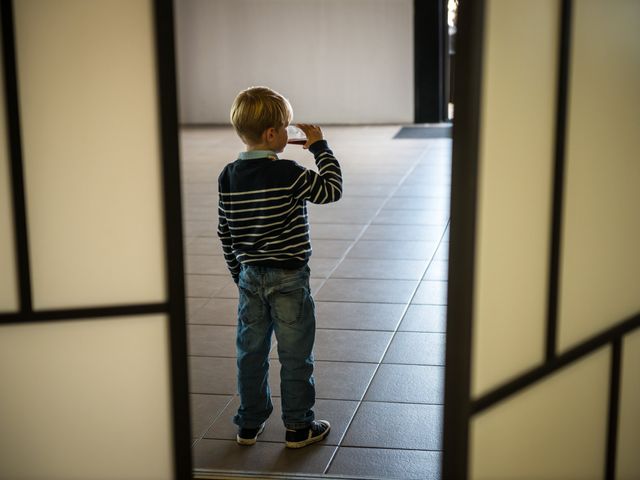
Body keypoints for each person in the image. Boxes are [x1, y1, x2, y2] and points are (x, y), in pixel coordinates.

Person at [217, 86, 343, 448]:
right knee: (295, 355)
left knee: (251, 354)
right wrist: (319, 146)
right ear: (272, 135)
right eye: (286, 128)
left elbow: (225, 232)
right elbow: (331, 189)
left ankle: (249, 424)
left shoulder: (228, 176)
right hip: (288, 277)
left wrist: (238, 275)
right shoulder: (289, 172)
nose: (289, 135)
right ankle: (298, 427)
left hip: (250, 277)